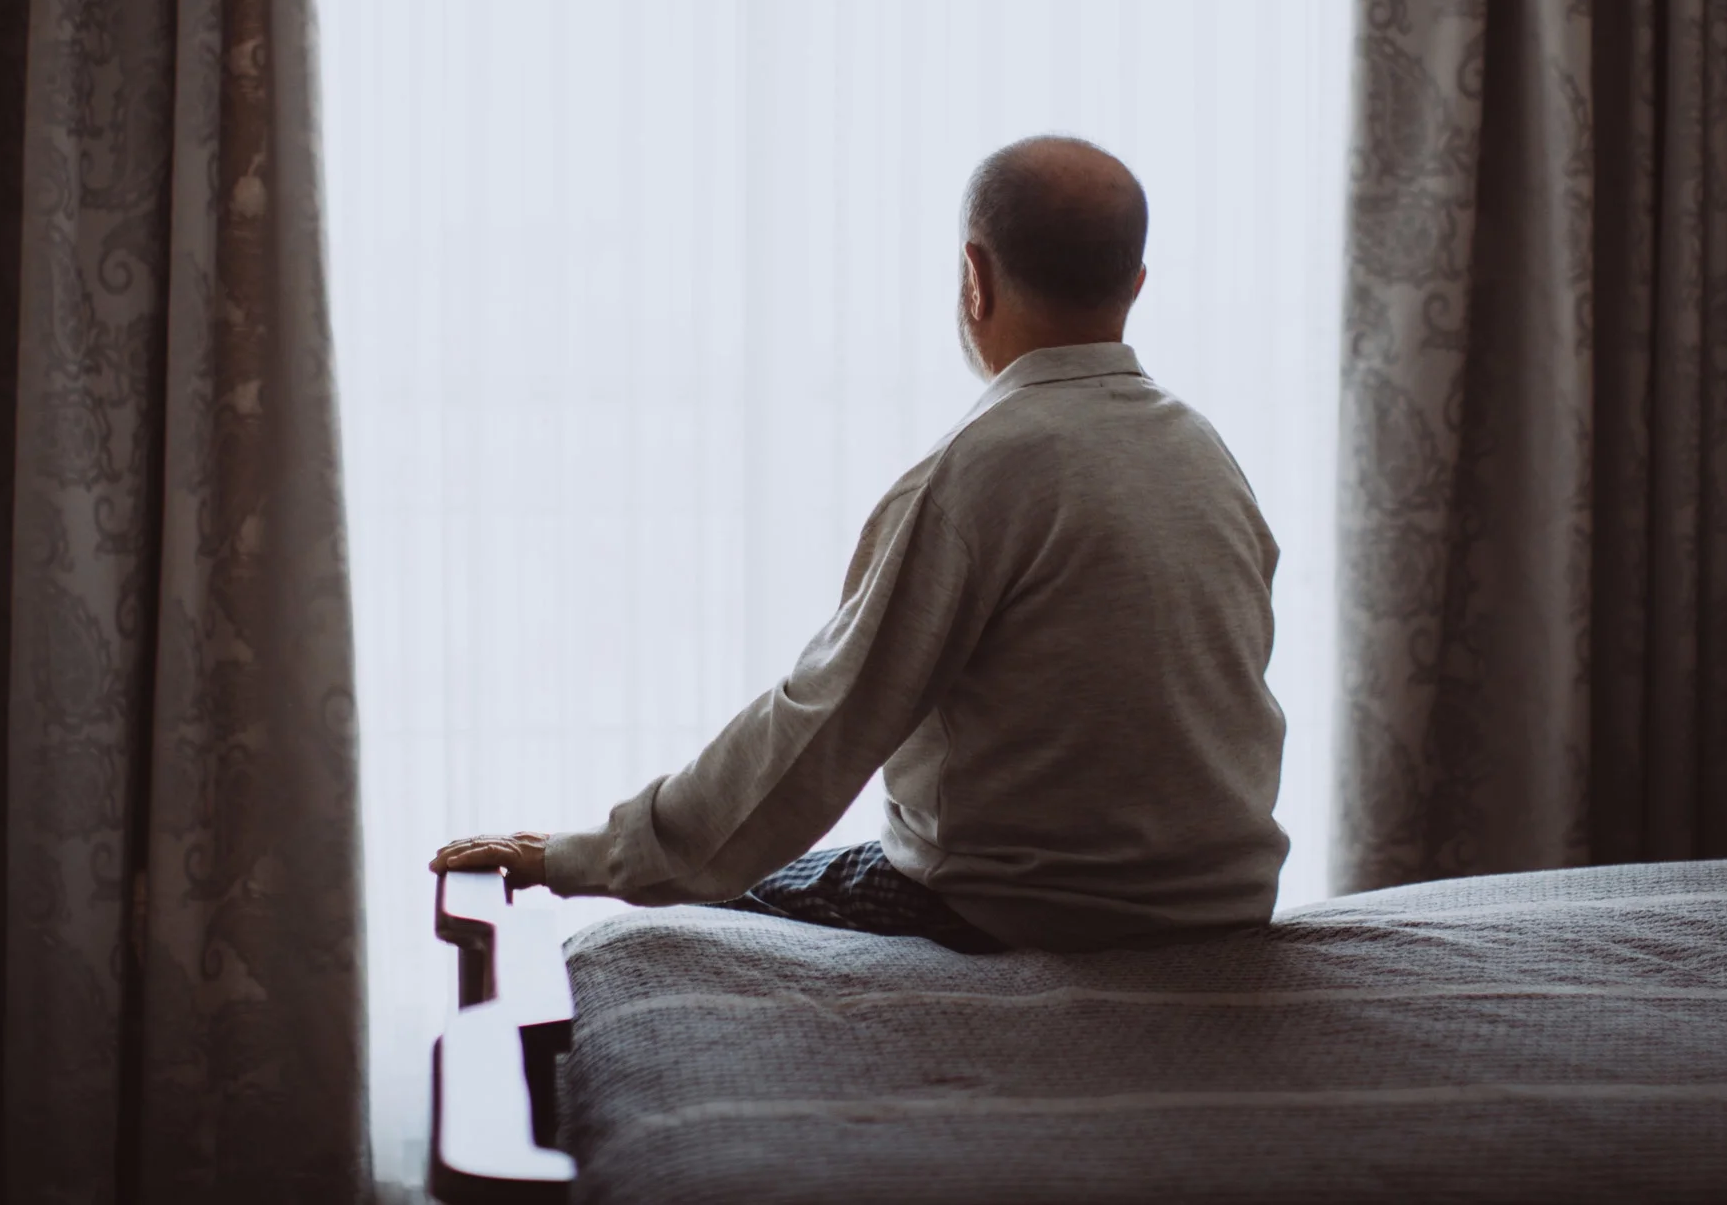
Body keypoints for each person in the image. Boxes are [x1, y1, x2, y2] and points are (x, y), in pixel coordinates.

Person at [431, 136, 1287, 953]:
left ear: (973, 277)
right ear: (1135, 285)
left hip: (1018, 914)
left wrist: (576, 857)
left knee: (686, 911)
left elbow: (823, 725)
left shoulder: (981, 471)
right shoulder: (1208, 457)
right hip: (1217, 911)